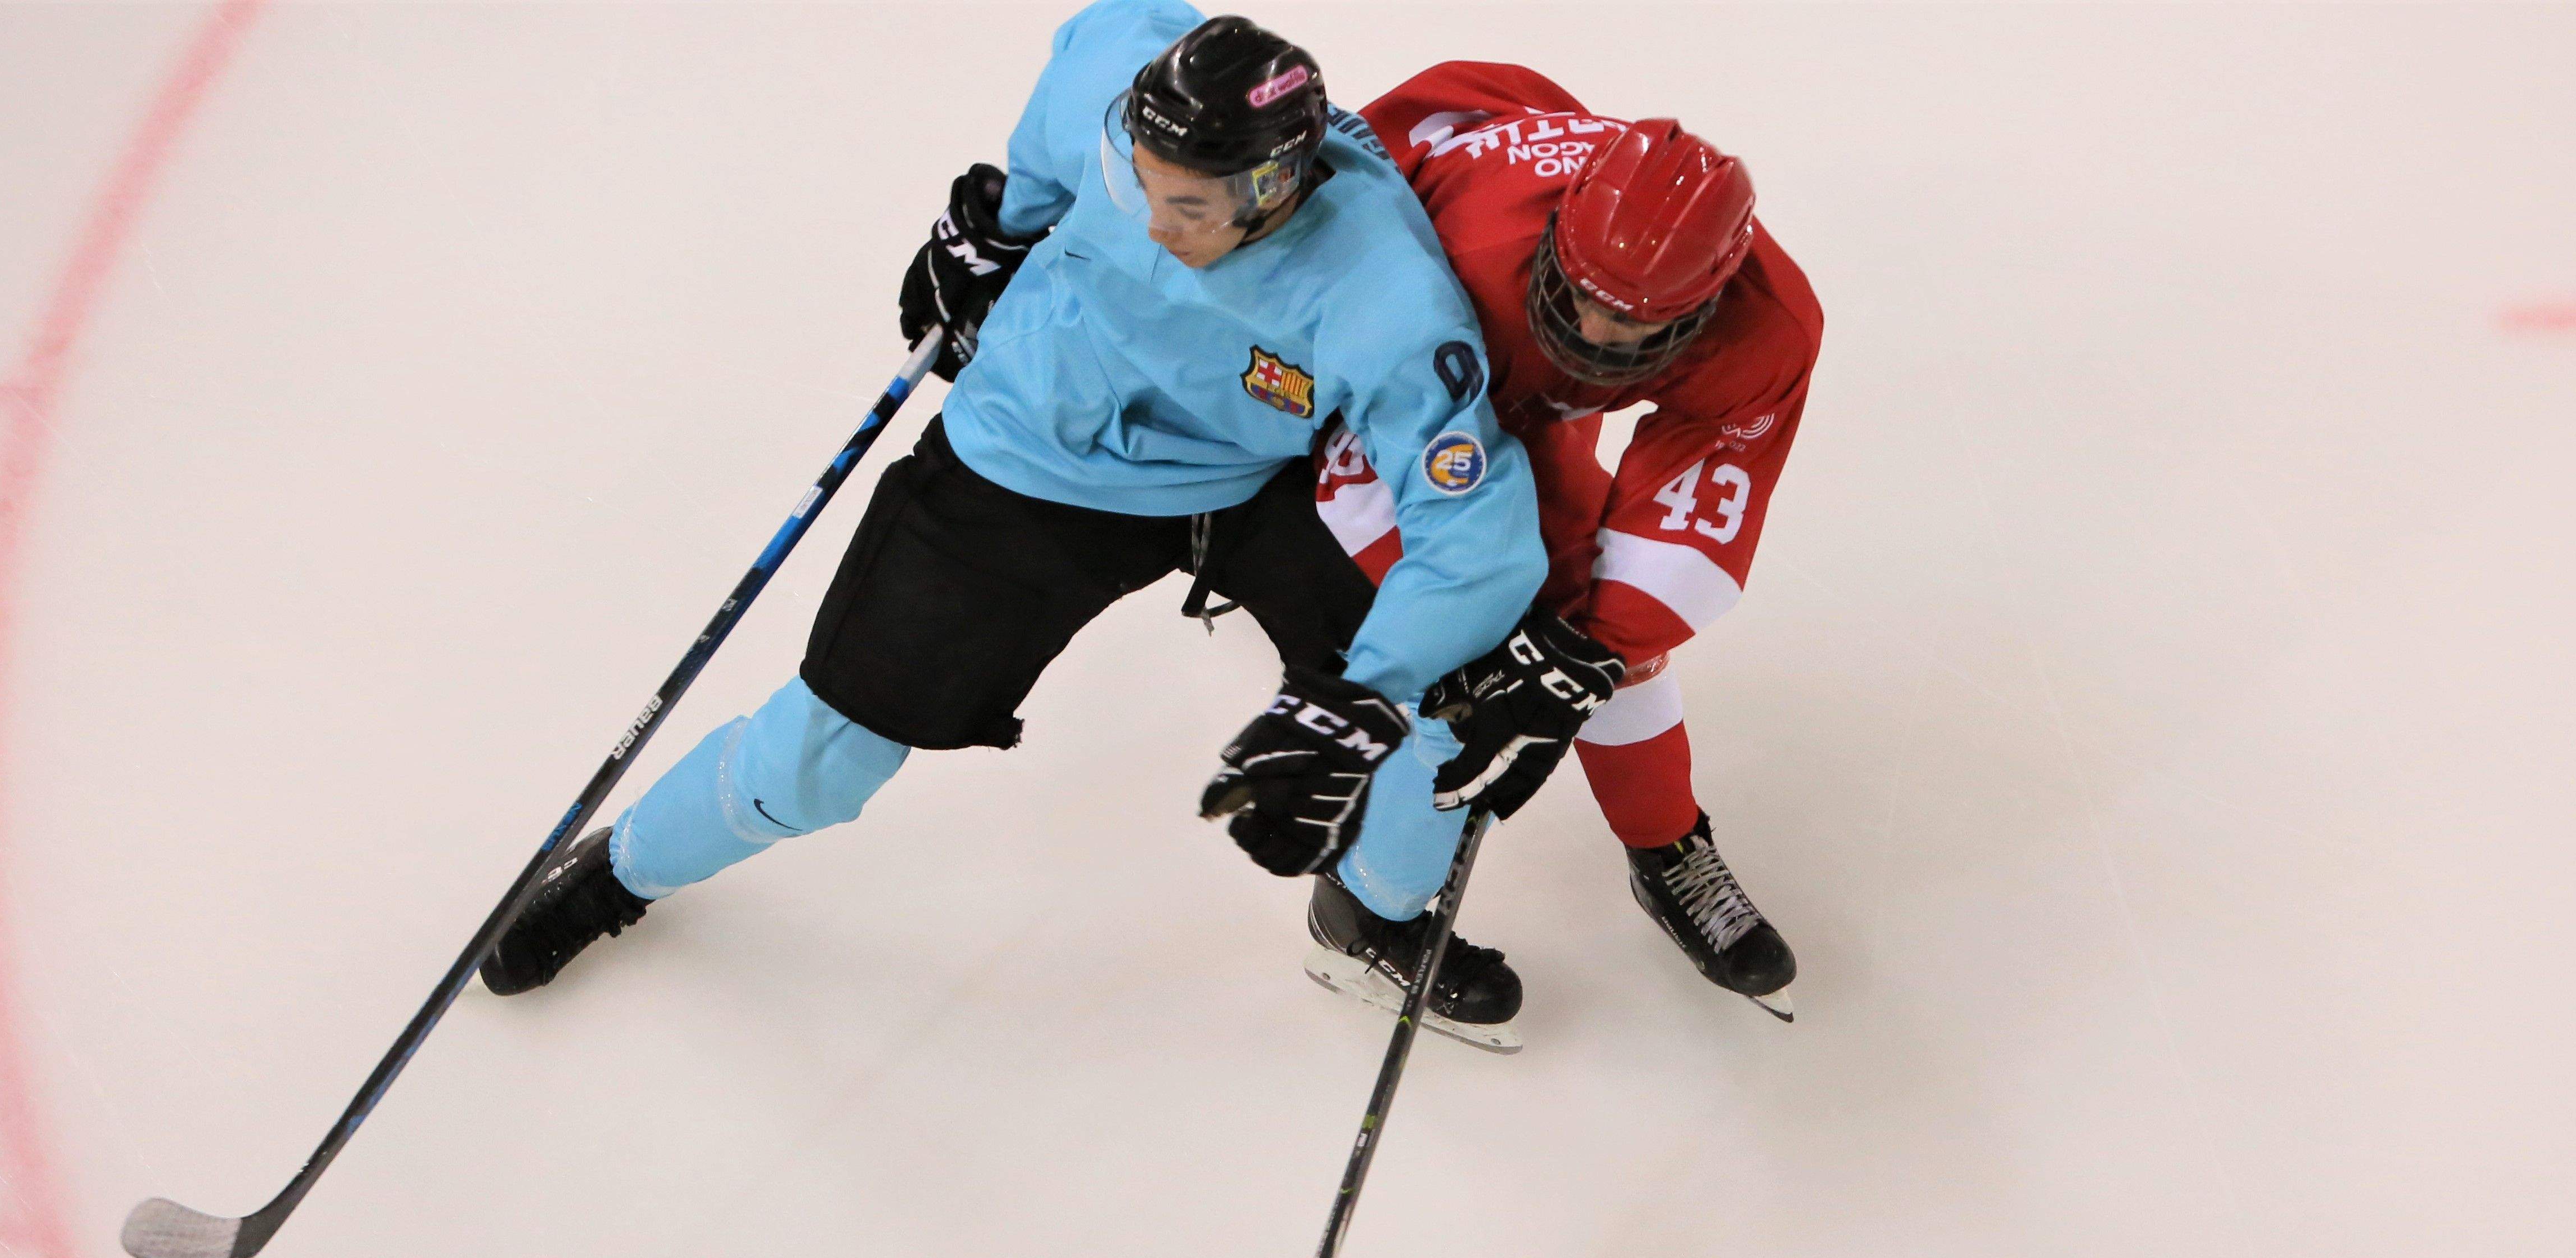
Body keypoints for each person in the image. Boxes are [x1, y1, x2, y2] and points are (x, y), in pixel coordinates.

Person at [479, 4, 1548, 1020]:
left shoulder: (1385, 294)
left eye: (1190, 208)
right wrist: (996, 222)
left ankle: (1373, 915)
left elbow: (1478, 534)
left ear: (1274, 184)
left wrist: (1362, 694)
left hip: (1253, 473)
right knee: (828, 756)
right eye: (1140, 185)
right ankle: (623, 870)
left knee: (1450, 698)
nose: (1156, 222)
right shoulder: (1116, 89)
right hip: (1038, 448)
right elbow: (1089, 50)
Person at [1300, 64, 1823, 1020]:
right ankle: (1364, 909)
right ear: (1560, 233)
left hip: (1510, 360)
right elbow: (1354, 462)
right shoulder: (1442, 259)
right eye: (1582, 297)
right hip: (1439, 335)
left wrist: (1581, 656)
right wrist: (1487, 637)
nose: (1594, 329)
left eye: (1635, 321)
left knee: (1589, 627)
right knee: (1457, 666)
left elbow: (1692, 515)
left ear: (1712, 296)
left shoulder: (1768, 329)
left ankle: (1667, 843)